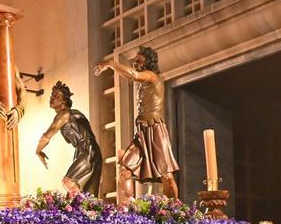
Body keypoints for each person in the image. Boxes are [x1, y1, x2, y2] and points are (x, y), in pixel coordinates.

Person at [95, 46, 180, 202]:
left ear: (148, 61)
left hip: (155, 130)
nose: (135, 62)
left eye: (139, 59)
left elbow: (133, 75)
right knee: (125, 169)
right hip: (142, 132)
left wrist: (110, 63)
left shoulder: (152, 76)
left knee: (166, 175)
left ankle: (177, 210)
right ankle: (127, 207)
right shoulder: (145, 81)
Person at [35, 80, 103, 196]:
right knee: (86, 192)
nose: (52, 98)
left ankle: (78, 209)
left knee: (69, 181)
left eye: (57, 96)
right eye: (52, 95)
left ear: (64, 100)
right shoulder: (69, 114)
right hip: (85, 150)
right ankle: (82, 210)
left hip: (88, 150)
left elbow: (46, 136)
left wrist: (38, 151)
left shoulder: (65, 114)